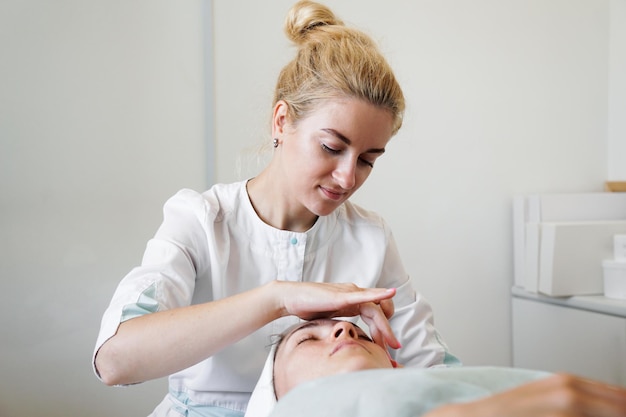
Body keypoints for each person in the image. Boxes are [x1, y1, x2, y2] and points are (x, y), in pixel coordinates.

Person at [92, 1, 459, 416]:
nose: (347, 178)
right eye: (331, 147)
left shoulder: (370, 238)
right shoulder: (201, 221)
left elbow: (437, 374)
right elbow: (115, 361)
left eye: (367, 159)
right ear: (282, 121)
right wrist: (278, 299)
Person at [244, 318, 626, 417]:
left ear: (393, 365)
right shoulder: (293, 409)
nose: (345, 329)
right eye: (308, 340)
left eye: (359, 333)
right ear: (279, 395)